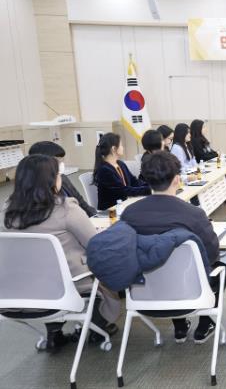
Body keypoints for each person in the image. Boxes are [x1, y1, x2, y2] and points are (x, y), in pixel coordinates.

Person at [0, 155, 120, 353]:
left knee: (42, 271)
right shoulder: (66, 209)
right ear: (51, 180)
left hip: (15, 292)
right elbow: (95, 245)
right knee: (102, 272)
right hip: (61, 290)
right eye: (58, 175)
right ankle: (96, 328)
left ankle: (54, 334)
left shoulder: (7, 212)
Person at [120, 151, 226, 344]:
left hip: (143, 295)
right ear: (177, 179)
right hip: (187, 294)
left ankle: (180, 325)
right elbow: (211, 254)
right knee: (221, 270)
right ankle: (205, 323)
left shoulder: (129, 214)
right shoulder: (193, 214)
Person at [28, 141, 97, 217]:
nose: (61, 165)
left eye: (61, 160)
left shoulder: (62, 178)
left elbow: (81, 202)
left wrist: (96, 216)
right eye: (57, 161)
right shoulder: (34, 192)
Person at [93, 133, 150, 210]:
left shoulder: (120, 164)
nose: (123, 147)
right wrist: (149, 190)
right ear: (114, 149)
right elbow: (123, 191)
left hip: (124, 204)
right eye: (121, 145)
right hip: (111, 211)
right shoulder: (104, 170)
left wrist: (153, 186)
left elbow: (134, 182)